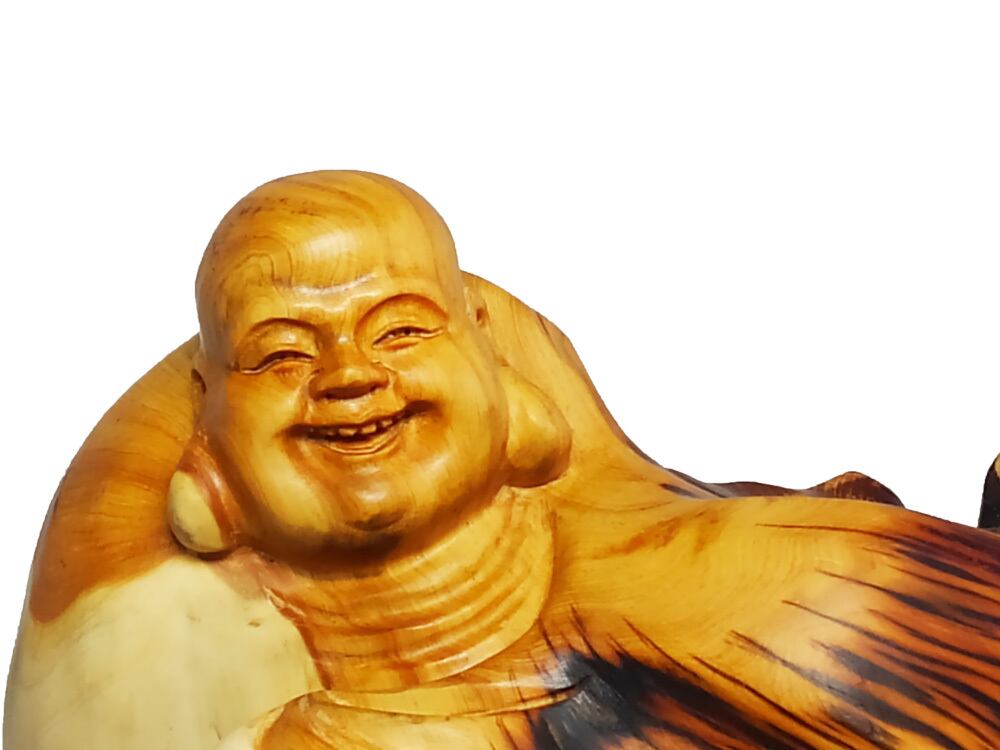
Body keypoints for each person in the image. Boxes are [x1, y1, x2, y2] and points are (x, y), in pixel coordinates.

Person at [7, 172, 999, 750]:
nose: (348, 377)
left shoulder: (768, 578)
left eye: (400, 331)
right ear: (207, 435)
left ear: (495, 367)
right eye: (281, 355)